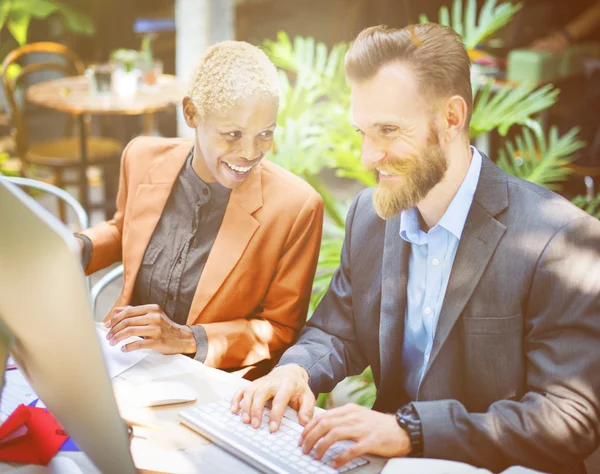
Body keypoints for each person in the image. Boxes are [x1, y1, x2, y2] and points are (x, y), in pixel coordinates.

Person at [232, 24, 600, 472]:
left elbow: (568, 416)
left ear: (451, 118)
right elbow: (337, 330)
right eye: (363, 132)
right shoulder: (370, 215)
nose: (368, 157)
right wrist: (297, 371)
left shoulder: (560, 239)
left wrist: (411, 431)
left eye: (388, 130)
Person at [76, 41, 324, 379]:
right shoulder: (142, 156)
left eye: (265, 134)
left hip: (218, 383)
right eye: (232, 134)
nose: (250, 152)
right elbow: (126, 230)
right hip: (125, 361)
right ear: (191, 113)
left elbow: (279, 329)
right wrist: (79, 248)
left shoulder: (296, 207)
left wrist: (185, 338)